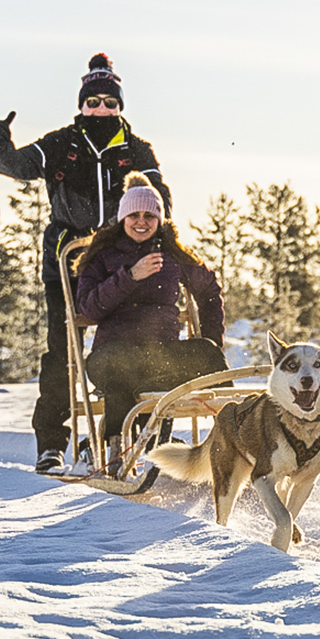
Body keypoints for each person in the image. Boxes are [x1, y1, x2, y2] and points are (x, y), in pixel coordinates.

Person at [0, 53, 172, 473]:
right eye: (94, 102)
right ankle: (52, 442)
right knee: (63, 351)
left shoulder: (136, 149)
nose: (101, 109)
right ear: (82, 105)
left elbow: (159, 195)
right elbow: (16, 165)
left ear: (119, 106)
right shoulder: (62, 144)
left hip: (119, 263)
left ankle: (120, 433)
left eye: (109, 102)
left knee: (125, 345)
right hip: (66, 262)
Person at [73, 173, 227, 468]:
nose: (141, 222)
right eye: (134, 215)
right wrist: (129, 277)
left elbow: (209, 291)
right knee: (122, 363)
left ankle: (238, 437)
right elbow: (89, 308)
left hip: (160, 355)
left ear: (159, 219)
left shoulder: (172, 253)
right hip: (113, 355)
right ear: (122, 218)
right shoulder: (103, 256)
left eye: (149, 215)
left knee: (207, 351)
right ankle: (119, 450)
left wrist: (212, 339)